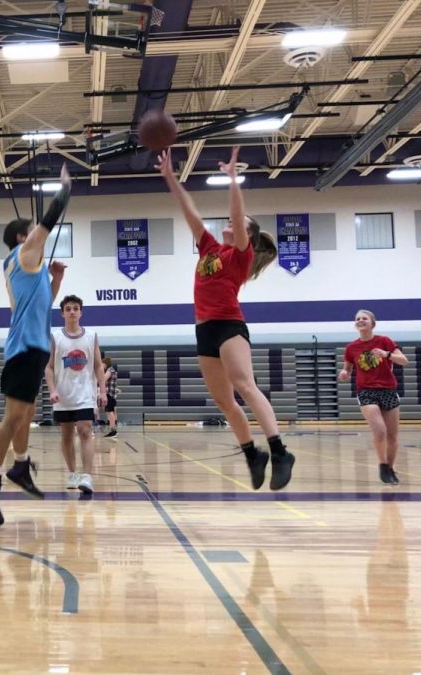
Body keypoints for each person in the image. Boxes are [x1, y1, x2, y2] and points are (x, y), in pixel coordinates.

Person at [157, 146, 295, 491]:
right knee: (223, 400)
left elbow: (238, 212)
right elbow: (189, 212)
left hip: (229, 326)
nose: (229, 223)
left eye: (237, 223)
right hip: (203, 330)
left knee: (244, 384)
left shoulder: (240, 256)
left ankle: (279, 451)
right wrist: (172, 178)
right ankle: (253, 455)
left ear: (246, 233)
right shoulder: (208, 248)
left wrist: (232, 180)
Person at [0, 164, 72, 525]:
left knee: (26, 416)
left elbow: (41, 306)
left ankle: (19, 467)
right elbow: (47, 223)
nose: (38, 237)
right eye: (32, 234)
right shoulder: (23, 257)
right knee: (13, 417)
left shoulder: (28, 272)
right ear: (22, 239)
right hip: (24, 351)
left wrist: (56, 278)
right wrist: (64, 190)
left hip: (32, 348)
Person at [338, 309, 409, 485]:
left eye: (364, 318)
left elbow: (404, 361)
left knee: (392, 436)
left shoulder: (384, 341)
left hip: (388, 390)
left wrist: (387, 354)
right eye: (358, 319)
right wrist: (344, 373)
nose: (361, 320)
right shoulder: (351, 348)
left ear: (372, 323)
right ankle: (382, 465)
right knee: (380, 430)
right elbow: (347, 368)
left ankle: (390, 469)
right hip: (366, 391)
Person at [44, 294, 106, 494]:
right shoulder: (55, 336)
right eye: (68, 308)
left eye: (76, 308)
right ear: (62, 313)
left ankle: (87, 477)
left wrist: (102, 391)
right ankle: (73, 473)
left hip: (85, 393)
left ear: (81, 312)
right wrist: (52, 389)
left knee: (85, 430)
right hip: (63, 395)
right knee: (67, 435)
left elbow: (98, 365)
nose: (72, 311)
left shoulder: (92, 335)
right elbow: (49, 368)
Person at [102, 356, 120, 438]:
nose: (102, 365)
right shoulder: (112, 370)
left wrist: (100, 372)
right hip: (111, 394)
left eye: (103, 364)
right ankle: (112, 430)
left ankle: (113, 430)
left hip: (110, 394)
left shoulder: (110, 370)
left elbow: (104, 379)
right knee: (110, 411)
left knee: (110, 411)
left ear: (106, 363)